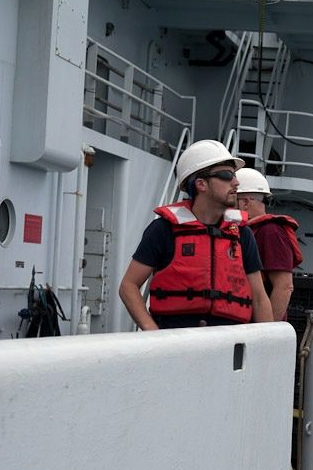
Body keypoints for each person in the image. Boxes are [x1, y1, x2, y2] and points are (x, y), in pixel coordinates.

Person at [118, 140, 273, 329]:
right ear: (201, 184)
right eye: (227, 175)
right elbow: (129, 286)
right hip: (176, 341)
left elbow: (259, 298)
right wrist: (153, 333)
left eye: (235, 175)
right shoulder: (163, 230)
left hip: (228, 342)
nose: (236, 182)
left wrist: (267, 346)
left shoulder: (242, 234)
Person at [235, 167, 303, 321]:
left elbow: (284, 287)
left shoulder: (270, 232)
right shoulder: (249, 231)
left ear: (244, 203)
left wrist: (268, 334)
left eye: (232, 200)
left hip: (259, 331)